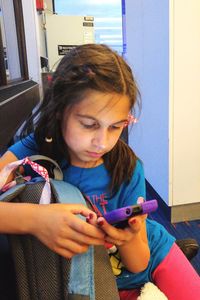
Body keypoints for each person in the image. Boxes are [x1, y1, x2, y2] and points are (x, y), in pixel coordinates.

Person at [0, 44, 199, 300]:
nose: (102, 143)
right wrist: (37, 220)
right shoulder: (36, 148)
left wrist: (129, 239)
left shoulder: (128, 168)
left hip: (150, 257)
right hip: (88, 279)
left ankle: (177, 251)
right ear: (60, 111)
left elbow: (139, 263)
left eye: (115, 127)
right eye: (89, 125)